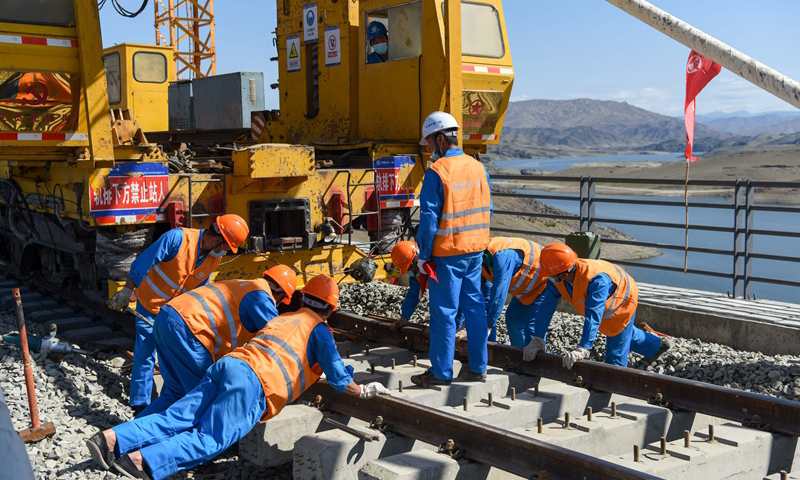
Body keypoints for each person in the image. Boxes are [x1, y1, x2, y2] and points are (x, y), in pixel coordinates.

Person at [87, 275, 390, 480]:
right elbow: (340, 380)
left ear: (302, 298)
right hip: (254, 385)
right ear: (330, 309)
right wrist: (363, 391)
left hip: (229, 366)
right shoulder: (321, 332)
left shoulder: (283, 317)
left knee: (178, 416)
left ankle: (112, 439)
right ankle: (142, 462)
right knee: (211, 437)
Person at [107, 214, 250, 413]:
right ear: (219, 239)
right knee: (146, 351)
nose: (226, 252)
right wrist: (127, 290)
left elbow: (199, 291)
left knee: (173, 357)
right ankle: (140, 403)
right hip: (150, 305)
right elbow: (144, 261)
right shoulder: (177, 238)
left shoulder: (212, 260)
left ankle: (169, 401)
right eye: (227, 247)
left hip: (174, 316)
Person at [137, 265, 298, 417]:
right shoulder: (260, 297)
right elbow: (279, 339)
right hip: (189, 330)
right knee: (204, 396)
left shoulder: (244, 285)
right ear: (280, 294)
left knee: (176, 392)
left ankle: (127, 436)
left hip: (167, 317)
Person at [411, 111, 493, 387]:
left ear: (438, 139)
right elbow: (488, 207)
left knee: (445, 312)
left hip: (447, 254)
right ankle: (479, 367)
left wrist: (423, 255)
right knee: (475, 308)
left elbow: (430, 217)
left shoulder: (437, 171)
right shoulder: (477, 167)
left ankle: (441, 372)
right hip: (475, 251)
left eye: (431, 144)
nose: (430, 150)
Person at [524, 243, 671, 369]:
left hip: (622, 301)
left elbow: (593, 314)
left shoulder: (596, 280)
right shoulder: (558, 275)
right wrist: (538, 338)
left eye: (552, 275)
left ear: (563, 274)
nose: (550, 279)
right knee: (623, 333)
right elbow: (545, 307)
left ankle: (614, 389)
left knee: (615, 350)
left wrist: (583, 348)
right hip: (604, 300)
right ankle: (657, 346)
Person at [481, 237, 548, 346]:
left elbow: (499, 293)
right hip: (526, 287)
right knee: (514, 320)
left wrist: (489, 324)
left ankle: (537, 359)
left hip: (544, 283)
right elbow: (478, 294)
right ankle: (520, 358)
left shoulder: (501, 257)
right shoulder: (482, 259)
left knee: (532, 325)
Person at [389, 241, 465, 337]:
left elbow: (448, 300)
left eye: (408, 268)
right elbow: (413, 295)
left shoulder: (436, 270)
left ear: (416, 262)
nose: (408, 272)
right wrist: (404, 317)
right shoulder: (416, 273)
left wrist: (435, 323)